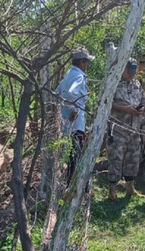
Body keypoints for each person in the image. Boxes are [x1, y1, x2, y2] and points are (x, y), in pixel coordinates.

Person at [107, 58, 145, 201]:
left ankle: (130, 187)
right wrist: (125, 109)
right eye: (129, 72)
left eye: (133, 72)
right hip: (118, 129)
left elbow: (143, 100)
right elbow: (107, 102)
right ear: (122, 69)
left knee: (133, 159)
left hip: (134, 129)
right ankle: (112, 190)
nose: (131, 75)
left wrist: (141, 107)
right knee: (115, 159)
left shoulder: (136, 84)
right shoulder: (113, 83)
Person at [55, 47, 94, 185]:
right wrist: (74, 109)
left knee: (71, 155)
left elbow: (57, 92)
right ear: (82, 62)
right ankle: (73, 186)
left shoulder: (68, 74)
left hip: (67, 122)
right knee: (76, 156)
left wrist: (65, 111)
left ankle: (69, 184)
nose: (87, 65)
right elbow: (71, 94)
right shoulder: (79, 76)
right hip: (76, 123)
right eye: (87, 62)